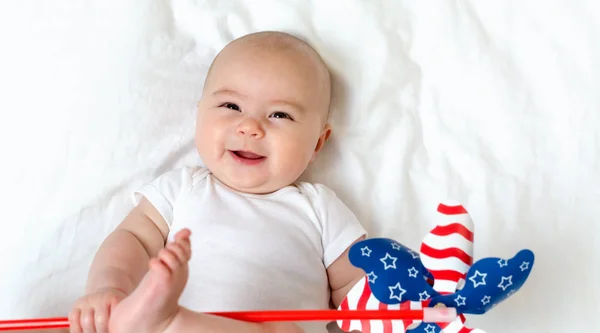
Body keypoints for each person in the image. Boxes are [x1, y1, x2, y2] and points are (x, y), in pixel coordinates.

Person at [68, 31, 367, 333]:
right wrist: (110, 288)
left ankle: (167, 320)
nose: (250, 127)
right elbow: (133, 238)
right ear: (200, 115)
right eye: (231, 107)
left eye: (280, 114)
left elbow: (359, 289)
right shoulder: (183, 188)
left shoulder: (319, 208)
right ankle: (164, 320)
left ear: (317, 143)